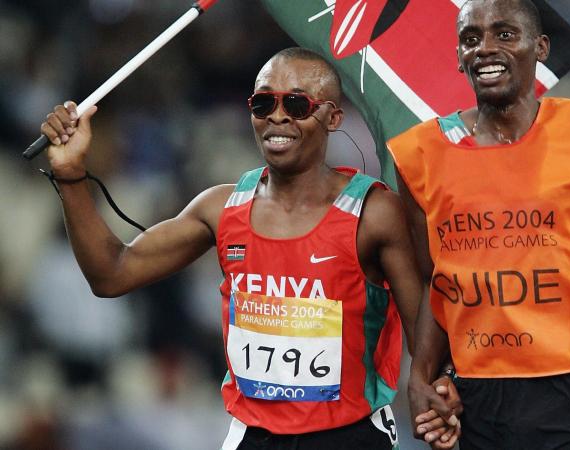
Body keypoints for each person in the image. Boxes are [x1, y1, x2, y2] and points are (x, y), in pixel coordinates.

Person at [39, 47, 424, 450]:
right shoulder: (221, 209)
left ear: (333, 117)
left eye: (296, 103)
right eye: (263, 103)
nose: (277, 116)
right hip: (253, 437)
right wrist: (69, 175)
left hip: (350, 436)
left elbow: (423, 333)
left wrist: (436, 393)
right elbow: (111, 273)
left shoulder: (374, 214)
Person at [387, 0, 570, 448]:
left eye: (504, 34)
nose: (484, 48)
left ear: (540, 48)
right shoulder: (419, 155)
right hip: (480, 398)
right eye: (470, 38)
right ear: (459, 57)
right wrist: (423, 376)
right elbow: (434, 284)